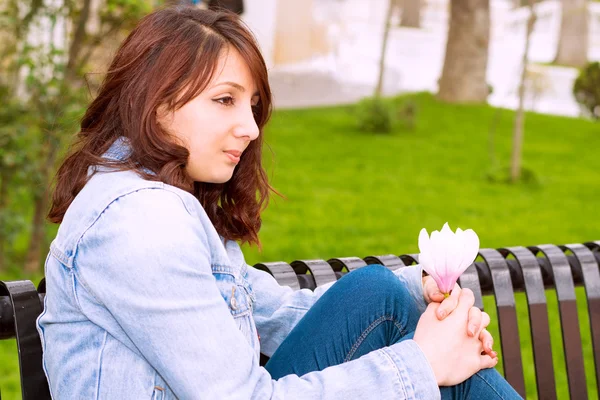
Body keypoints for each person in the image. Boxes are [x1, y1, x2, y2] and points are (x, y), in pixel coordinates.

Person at [36, 6, 522, 399]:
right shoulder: (140, 223)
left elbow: (281, 316)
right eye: (224, 100)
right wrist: (422, 364)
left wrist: (423, 296)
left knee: (379, 295)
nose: (250, 128)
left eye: (252, 106)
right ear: (155, 101)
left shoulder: (161, 206)